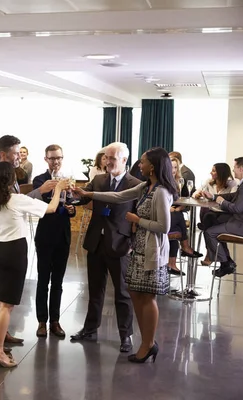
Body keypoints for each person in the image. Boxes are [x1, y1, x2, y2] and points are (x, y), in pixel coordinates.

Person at [74, 147, 176, 363]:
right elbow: (118, 196)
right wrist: (88, 194)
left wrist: (137, 221)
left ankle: (139, 341)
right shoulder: (146, 186)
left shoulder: (160, 191)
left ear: (153, 166)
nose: (141, 165)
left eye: (144, 162)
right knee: (133, 294)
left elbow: (164, 227)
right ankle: (143, 343)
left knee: (139, 297)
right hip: (129, 248)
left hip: (141, 250)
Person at [0, 161, 67, 367]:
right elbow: (51, 208)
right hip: (15, 251)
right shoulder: (16, 200)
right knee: (6, 306)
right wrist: (59, 189)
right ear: (11, 180)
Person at [70, 142, 139, 353]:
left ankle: (125, 335)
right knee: (94, 289)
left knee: (122, 293)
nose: (107, 162)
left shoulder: (135, 184)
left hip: (120, 245)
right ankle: (90, 328)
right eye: (106, 158)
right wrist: (72, 196)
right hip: (96, 242)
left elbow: (139, 217)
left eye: (112, 158)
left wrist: (132, 244)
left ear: (124, 160)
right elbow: (83, 197)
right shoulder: (99, 179)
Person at [33, 144, 76, 338]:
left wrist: (71, 209)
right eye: (52, 158)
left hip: (63, 234)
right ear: (45, 159)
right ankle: (42, 321)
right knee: (43, 280)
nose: (56, 161)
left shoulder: (68, 180)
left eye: (58, 158)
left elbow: (72, 203)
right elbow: (42, 204)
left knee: (58, 281)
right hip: (45, 234)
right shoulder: (40, 180)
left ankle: (55, 321)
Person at [202, 157, 243, 278]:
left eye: (234, 167)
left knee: (210, 232)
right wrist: (214, 197)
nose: (233, 170)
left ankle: (225, 263)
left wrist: (221, 202)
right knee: (210, 219)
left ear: (241, 169)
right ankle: (227, 260)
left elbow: (237, 208)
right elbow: (234, 195)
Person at [192, 163, 237, 266]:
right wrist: (198, 194)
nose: (210, 173)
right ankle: (225, 260)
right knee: (209, 219)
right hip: (211, 214)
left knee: (208, 225)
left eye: (213, 171)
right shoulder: (209, 182)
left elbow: (233, 200)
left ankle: (210, 254)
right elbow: (195, 193)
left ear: (221, 173)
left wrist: (215, 198)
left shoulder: (233, 184)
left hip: (225, 215)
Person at [168, 157, 201, 275]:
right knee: (178, 216)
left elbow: (186, 198)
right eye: (171, 167)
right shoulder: (161, 181)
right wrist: (169, 209)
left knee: (176, 230)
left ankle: (172, 264)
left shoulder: (179, 181)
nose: (173, 170)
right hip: (162, 216)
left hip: (173, 215)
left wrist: (180, 207)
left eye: (175, 167)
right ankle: (186, 247)